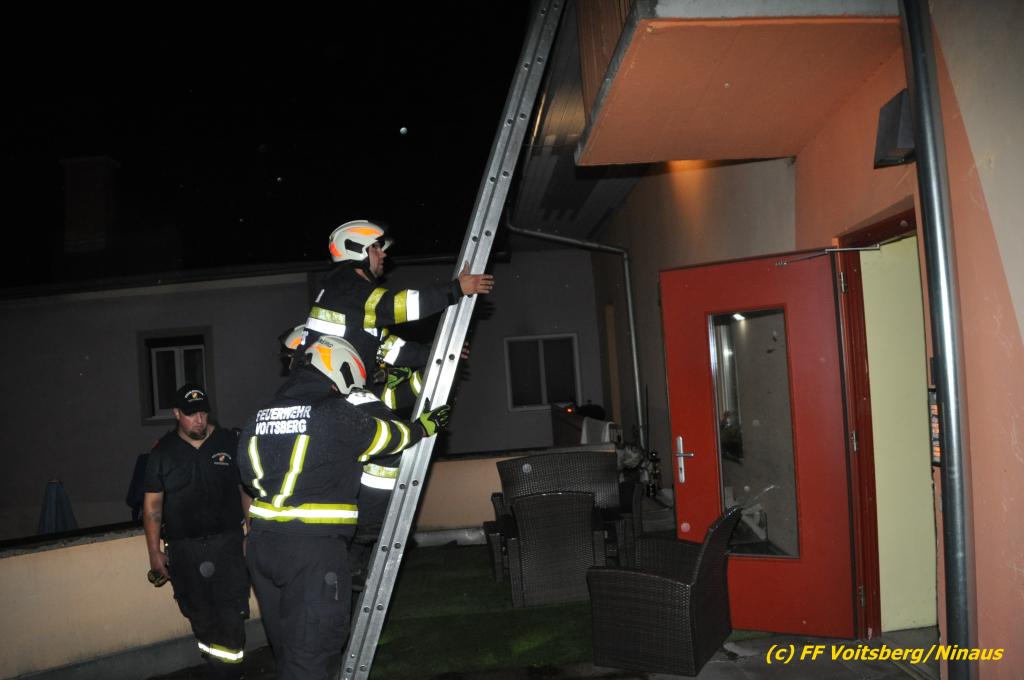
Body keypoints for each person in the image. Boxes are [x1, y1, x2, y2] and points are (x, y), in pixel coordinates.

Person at [238, 335, 450, 680]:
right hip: (311, 551)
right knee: (312, 656)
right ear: (340, 368)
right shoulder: (334, 413)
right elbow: (387, 437)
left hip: (263, 547)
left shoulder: (258, 417)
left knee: (287, 650)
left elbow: (247, 476)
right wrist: (422, 427)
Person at [143, 384, 252, 679]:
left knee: (231, 614)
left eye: (203, 413)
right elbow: (152, 506)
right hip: (184, 549)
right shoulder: (162, 452)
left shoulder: (229, 442)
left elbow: (245, 491)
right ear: (177, 414)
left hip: (227, 545)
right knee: (198, 614)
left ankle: (231, 673)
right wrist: (154, 552)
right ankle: (215, 667)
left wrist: (251, 533)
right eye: (191, 414)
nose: (199, 420)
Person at [297, 219, 494, 374]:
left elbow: (388, 349)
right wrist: (456, 289)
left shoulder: (346, 294)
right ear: (356, 250)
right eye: (375, 247)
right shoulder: (348, 288)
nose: (383, 254)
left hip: (328, 387)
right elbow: (396, 306)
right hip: (323, 389)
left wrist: (439, 354)